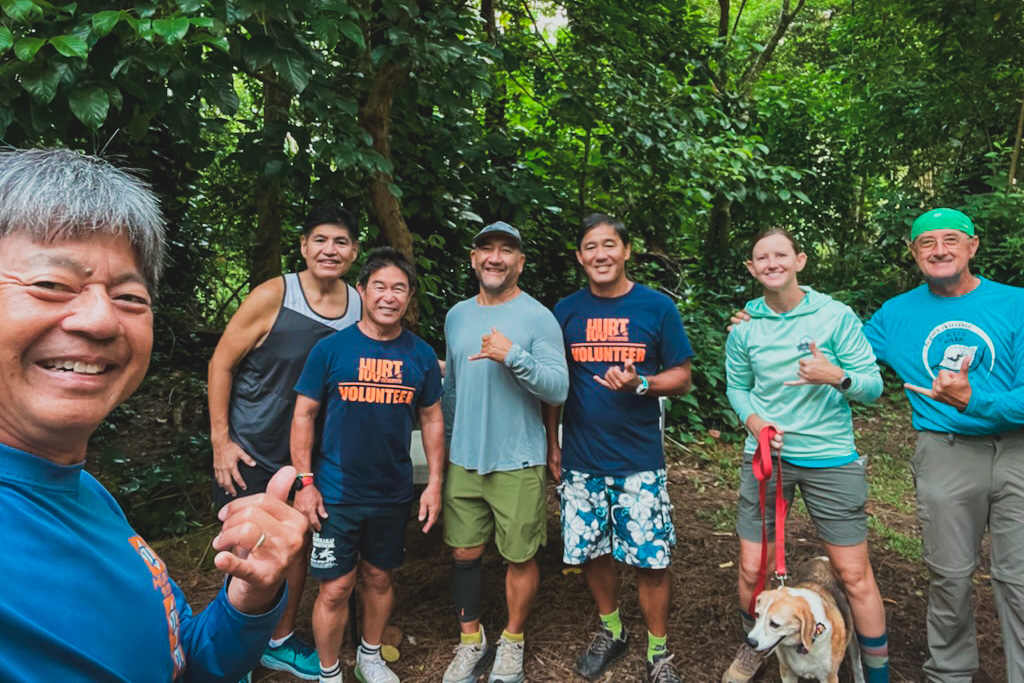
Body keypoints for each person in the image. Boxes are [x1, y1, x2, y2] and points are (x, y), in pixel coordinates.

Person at [0, 147, 307, 681]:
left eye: (129, 296)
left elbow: (178, 661)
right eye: (51, 285)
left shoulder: (85, 494)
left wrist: (250, 596)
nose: (99, 319)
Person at [720, 228, 890, 683]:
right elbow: (737, 387)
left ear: (800, 260)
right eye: (762, 257)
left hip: (830, 457)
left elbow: (873, 386)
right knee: (753, 567)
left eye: (781, 254)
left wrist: (835, 375)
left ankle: (877, 674)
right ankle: (758, 647)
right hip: (766, 458)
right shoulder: (745, 327)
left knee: (853, 574)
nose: (772, 263)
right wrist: (756, 427)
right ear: (752, 269)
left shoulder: (834, 317)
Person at [862, 208, 1024, 683]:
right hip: (945, 453)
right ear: (914, 253)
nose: (939, 250)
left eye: (951, 239)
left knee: (1019, 580)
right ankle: (950, 674)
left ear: (973, 246)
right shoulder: (896, 314)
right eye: (926, 242)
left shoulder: (1016, 303)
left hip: (1017, 452)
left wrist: (974, 400)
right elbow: (842, 351)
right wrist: (768, 317)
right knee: (950, 576)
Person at [208, 201, 361, 679]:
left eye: (340, 241)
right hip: (252, 446)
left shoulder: (358, 303)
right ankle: (231, 655)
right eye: (320, 240)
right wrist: (221, 442)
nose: (329, 250)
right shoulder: (274, 294)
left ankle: (277, 640)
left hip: (308, 456)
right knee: (247, 548)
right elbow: (221, 363)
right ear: (303, 246)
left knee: (293, 547)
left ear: (354, 251)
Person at [542, 214, 694, 683]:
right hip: (582, 459)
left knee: (651, 559)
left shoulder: (656, 309)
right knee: (593, 551)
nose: (600, 254)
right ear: (579, 257)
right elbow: (554, 386)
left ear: (626, 251)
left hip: (638, 461)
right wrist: (553, 442)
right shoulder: (564, 312)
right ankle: (611, 630)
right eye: (590, 246)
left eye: (609, 245)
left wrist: (642, 383)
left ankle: (659, 651)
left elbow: (683, 378)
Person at [292, 247, 444, 683]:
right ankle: (328, 671)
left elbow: (432, 418)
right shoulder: (331, 350)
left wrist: (434, 483)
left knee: (379, 578)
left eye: (399, 288)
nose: (389, 296)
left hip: (392, 491)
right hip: (335, 492)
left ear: (409, 296)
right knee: (336, 586)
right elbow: (303, 415)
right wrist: (305, 483)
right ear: (362, 290)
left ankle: (370, 656)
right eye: (380, 286)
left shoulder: (419, 355)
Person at [440, 221, 569, 683]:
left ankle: (512, 642)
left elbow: (558, 390)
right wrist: (448, 450)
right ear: (473, 259)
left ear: (520, 262)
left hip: (518, 459)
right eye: (486, 249)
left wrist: (513, 355)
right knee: (464, 554)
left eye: (507, 251)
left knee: (520, 557)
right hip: (464, 459)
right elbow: (451, 389)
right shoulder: (456, 315)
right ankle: (471, 641)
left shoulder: (538, 317)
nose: (495, 258)